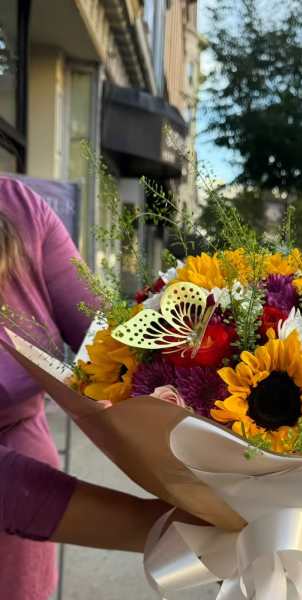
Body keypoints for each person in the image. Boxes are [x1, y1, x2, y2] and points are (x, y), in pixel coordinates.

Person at [0, 177, 173, 600]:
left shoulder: (18, 206)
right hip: (30, 497)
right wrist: (169, 528)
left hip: (28, 500)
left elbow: (109, 346)